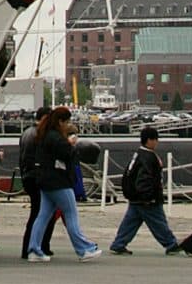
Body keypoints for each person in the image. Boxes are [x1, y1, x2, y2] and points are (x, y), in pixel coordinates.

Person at [27, 106, 101, 261]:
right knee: (71, 214)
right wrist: (72, 144)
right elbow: (69, 155)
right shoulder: (56, 138)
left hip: (44, 180)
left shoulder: (44, 135)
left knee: (43, 215)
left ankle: (34, 249)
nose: (68, 124)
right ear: (60, 122)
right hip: (58, 181)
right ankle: (83, 249)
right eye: (67, 121)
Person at [109, 126, 180, 255]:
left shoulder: (138, 154)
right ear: (149, 140)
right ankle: (171, 244)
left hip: (135, 197)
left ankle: (119, 243)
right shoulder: (149, 157)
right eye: (155, 139)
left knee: (130, 222)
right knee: (158, 222)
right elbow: (145, 179)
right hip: (147, 198)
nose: (157, 142)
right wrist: (148, 196)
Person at [20, 106, 55, 259]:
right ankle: (38, 245)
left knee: (38, 212)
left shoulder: (27, 132)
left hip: (28, 176)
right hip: (37, 177)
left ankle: (36, 245)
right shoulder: (38, 135)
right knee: (41, 213)